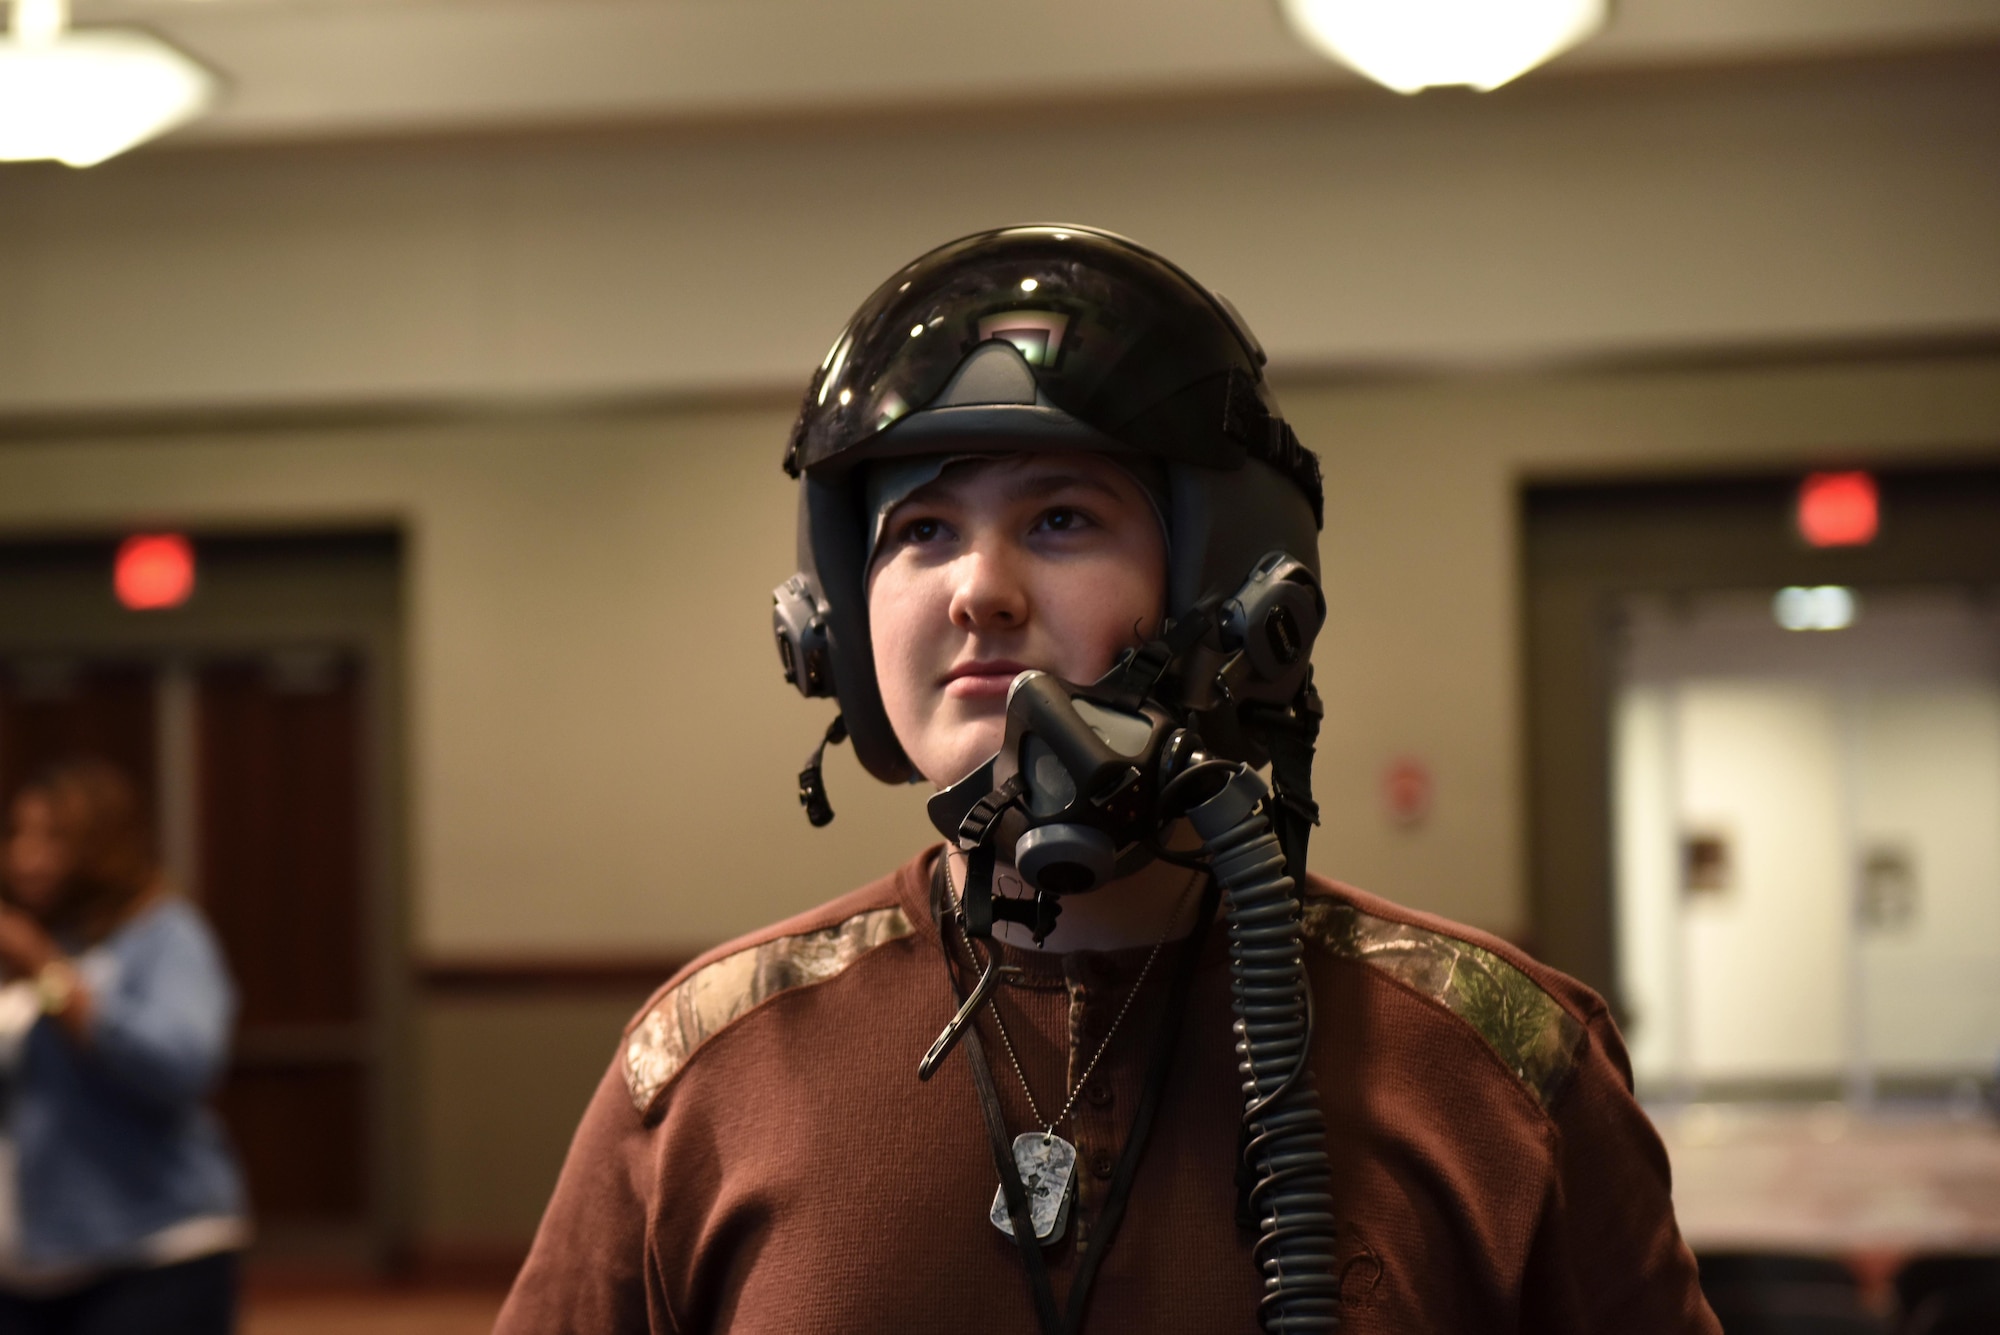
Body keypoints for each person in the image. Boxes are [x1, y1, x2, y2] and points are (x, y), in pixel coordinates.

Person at [498, 225, 1719, 1333]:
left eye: (1062, 519)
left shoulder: (1488, 1063)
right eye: (919, 531)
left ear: (1233, 598)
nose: (977, 588)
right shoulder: (706, 1069)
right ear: (831, 632)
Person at [0, 759, 246, 1335]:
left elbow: (181, 1064)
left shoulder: (163, 935)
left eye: (54, 836)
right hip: (31, 1258)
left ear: (103, 844)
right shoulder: (40, 943)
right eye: (18, 833)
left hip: (151, 1250)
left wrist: (48, 973)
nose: (27, 855)